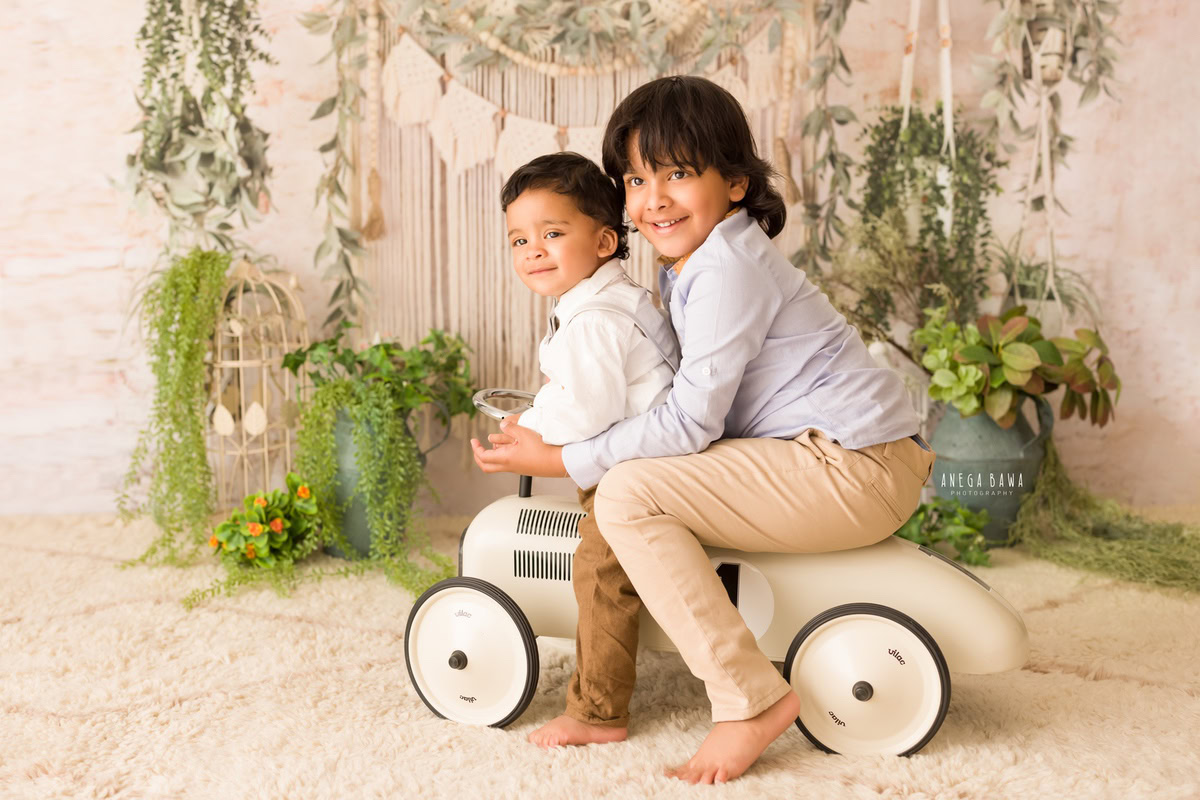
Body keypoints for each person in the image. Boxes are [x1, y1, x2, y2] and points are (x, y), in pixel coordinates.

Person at [472, 76, 936, 784]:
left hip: (852, 466)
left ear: (737, 183)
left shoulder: (724, 269)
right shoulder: (693, 264)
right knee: (630, 481)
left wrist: (565, 455)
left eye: (679, 174)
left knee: (625, 495)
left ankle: (747, 698)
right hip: (833, 457)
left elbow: (690, 422)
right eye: (634, 178)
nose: (653, 198)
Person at [498, 152, 680, 748]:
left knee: (601, 574)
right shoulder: (611, 300)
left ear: (604, 241)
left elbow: (584, 413)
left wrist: (530, 421)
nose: (533, 250)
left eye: (552, 233)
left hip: (637, 472)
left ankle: (598, 712)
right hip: (641, 452)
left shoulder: (596, 319)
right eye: (519, 238)